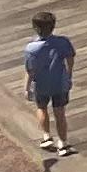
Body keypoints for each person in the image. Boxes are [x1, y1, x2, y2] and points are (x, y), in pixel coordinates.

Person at [21, 9, 72, 158]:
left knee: (41, 108)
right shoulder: (63, 42)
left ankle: (46, 136)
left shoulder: (31, 48)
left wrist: (26, 88)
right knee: (60, 112)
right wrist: (68, 75)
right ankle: (63, 143)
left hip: (41, 84)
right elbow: (70, 58)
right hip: (60, 83)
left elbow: (30, 70)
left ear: (36, 28)